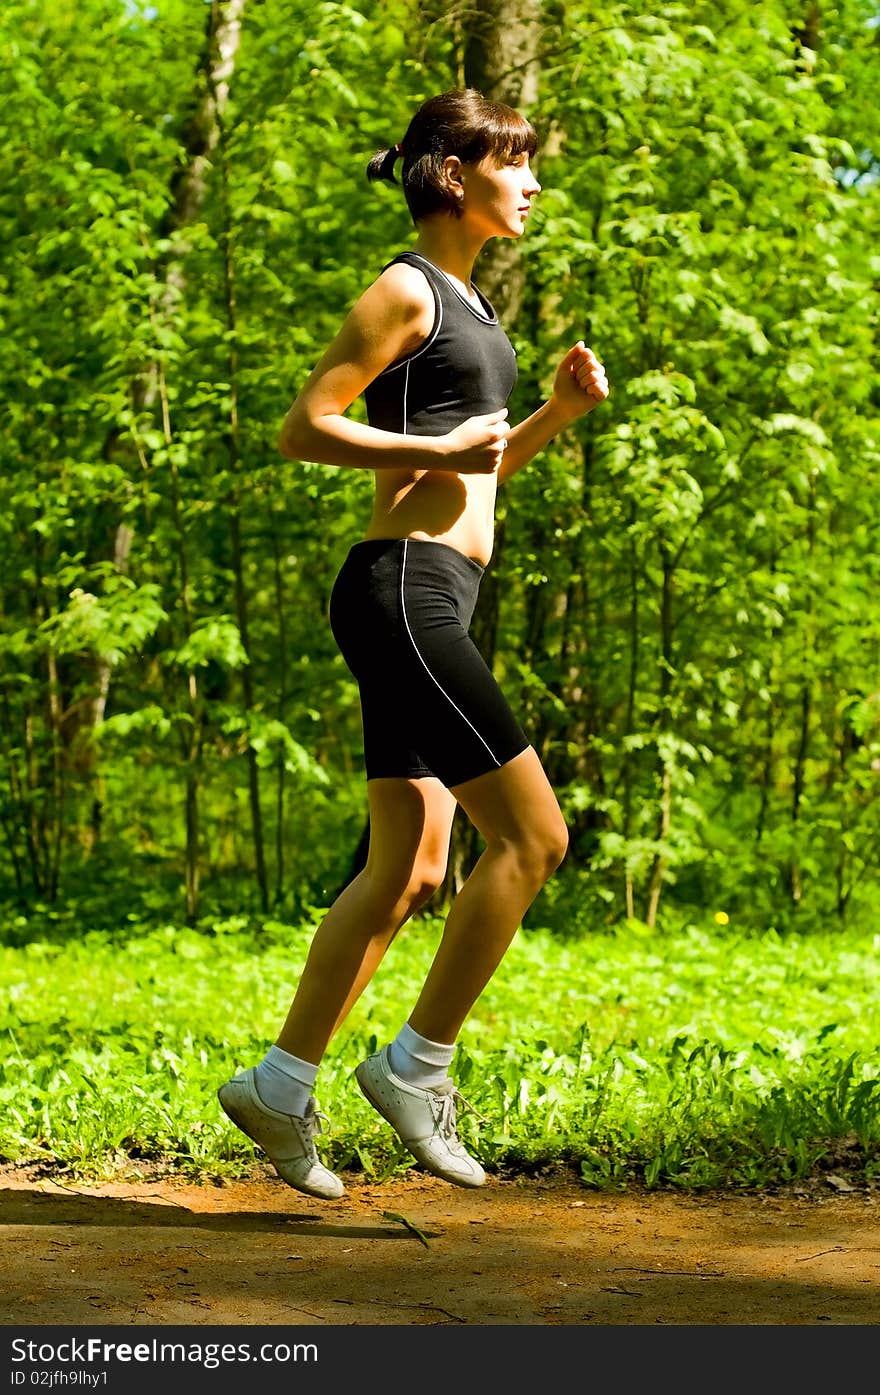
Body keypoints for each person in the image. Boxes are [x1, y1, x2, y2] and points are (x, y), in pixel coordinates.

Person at [218, 88, 609, 1199]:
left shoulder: (477, 312)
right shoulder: (406, 290)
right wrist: (435, 437)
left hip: (431, 589)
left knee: (413, 866)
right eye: (514, 163)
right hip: (405, 594)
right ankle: (415, 1069)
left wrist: (551, 420)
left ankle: (281, 1085)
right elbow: (306, 426)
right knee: (533, 841)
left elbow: (471, 471)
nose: (531, 182)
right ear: (453, 174)